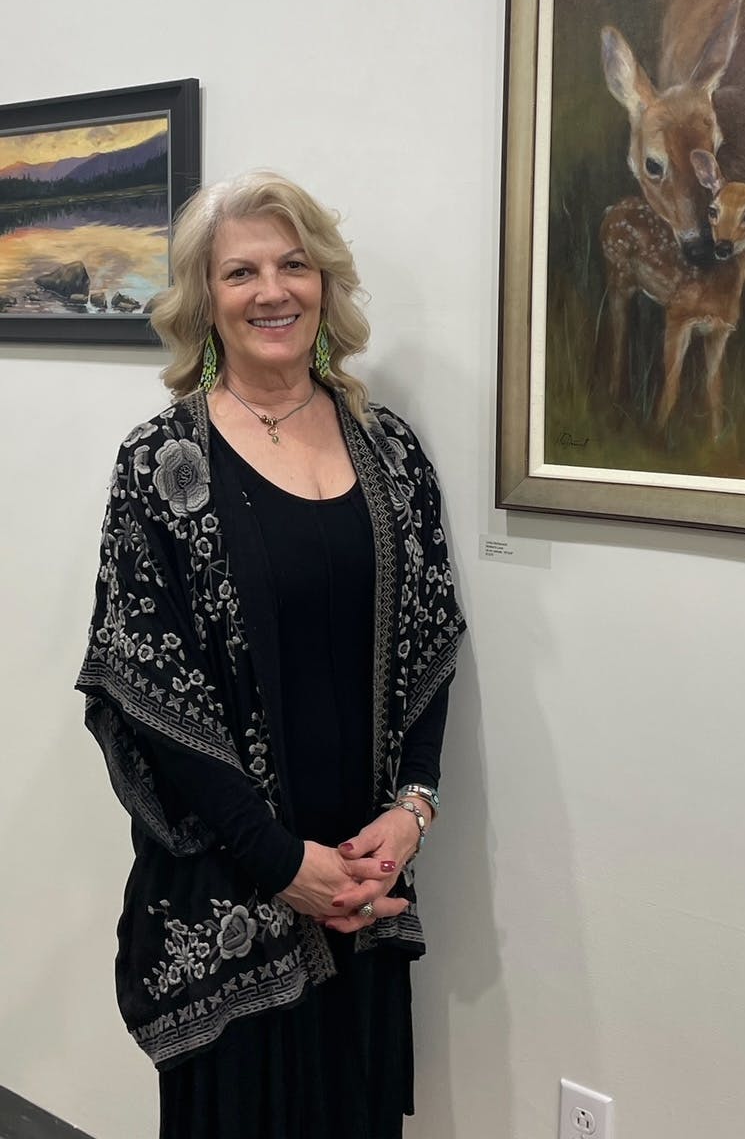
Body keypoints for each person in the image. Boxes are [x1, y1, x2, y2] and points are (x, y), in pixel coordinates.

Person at [76, 170, 465, 1139]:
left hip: (365, 880)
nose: (273, 290)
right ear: (204, 300)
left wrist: (413, 808)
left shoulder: (391, 449)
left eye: (296, 264)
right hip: (234, 893)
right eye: (241, 270)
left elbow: (429, 639)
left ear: (327, 284)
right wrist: (281, 860)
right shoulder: (161, 465)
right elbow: (152, 689)